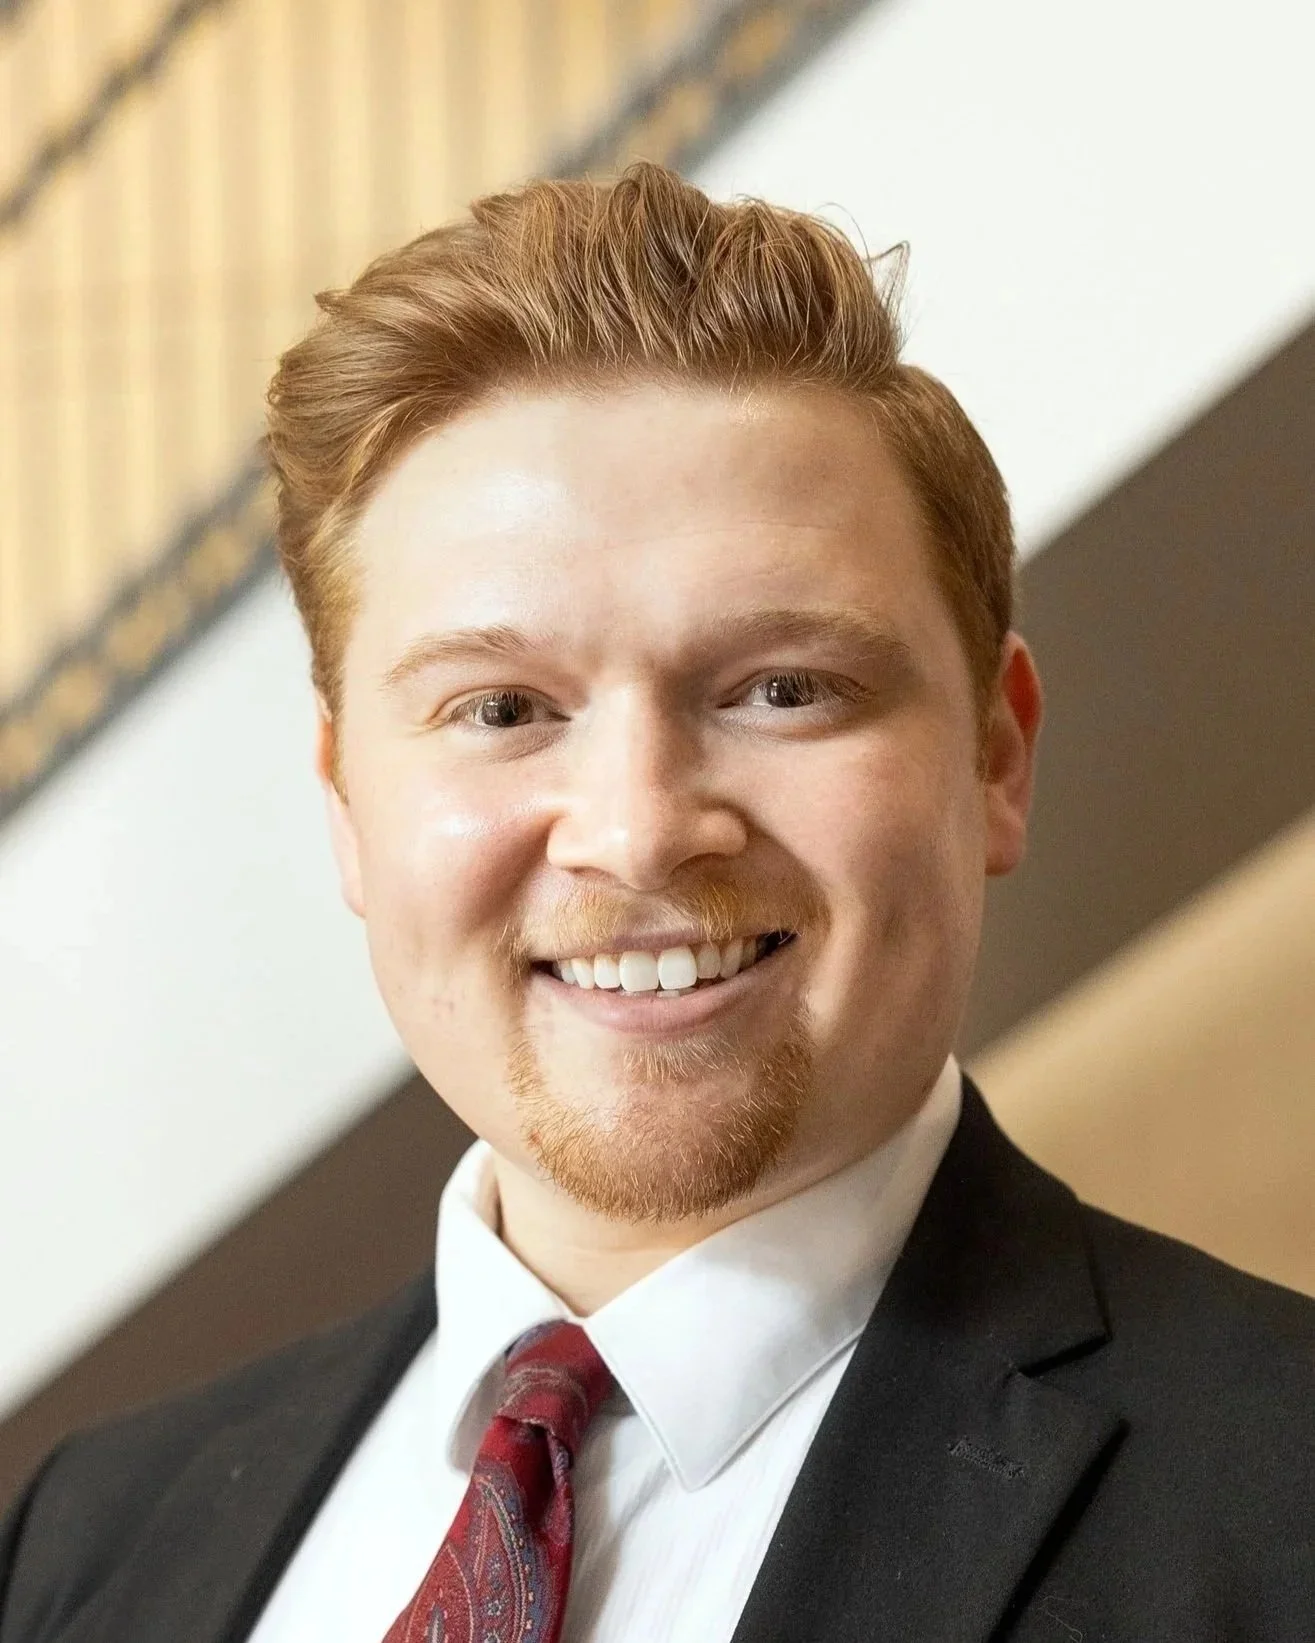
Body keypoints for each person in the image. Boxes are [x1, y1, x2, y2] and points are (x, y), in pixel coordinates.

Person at [1, 161, 1311, 1643]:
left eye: (782, 688)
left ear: (996, 754)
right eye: (502, 708)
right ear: (345, 801)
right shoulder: (88, 1540)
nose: (635, 835)